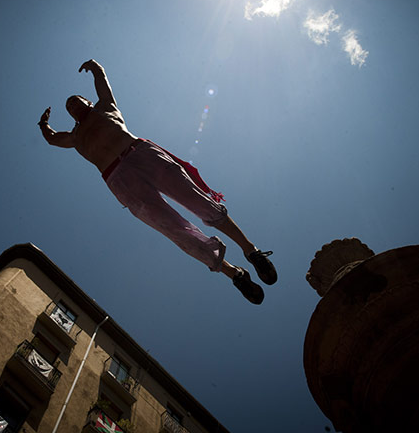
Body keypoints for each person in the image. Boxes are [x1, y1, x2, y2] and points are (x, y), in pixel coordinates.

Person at [38, 59, 276, 304]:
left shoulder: (104, 107)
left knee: (197, 200)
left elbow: (102, 84)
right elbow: (53, 139)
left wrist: (97, 69)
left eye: (76, 100)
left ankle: (251, 251)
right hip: (120, 180)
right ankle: (234, 273)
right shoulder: (75, 137)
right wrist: (43, 125)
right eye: (69, 106)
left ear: (87, 101)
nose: (73, 105)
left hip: (140, 154)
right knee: (171, 227)